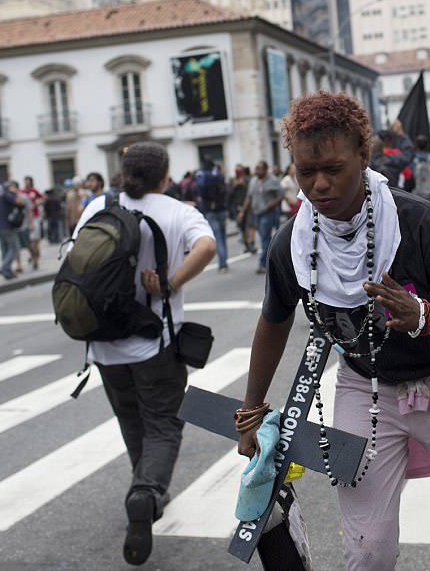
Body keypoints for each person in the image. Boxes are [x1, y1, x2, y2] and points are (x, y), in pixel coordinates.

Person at [237, 91, 430, 571]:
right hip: (362, 388)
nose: (318, 185)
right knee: (367, 553)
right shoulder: (292, 243)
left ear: (364, 155)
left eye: (333, 169)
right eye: (305, 172)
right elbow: (273, 322)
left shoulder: (418, 221)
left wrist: (426, 316)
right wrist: (251, 410)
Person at [72, 142, 216, 566]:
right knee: (164, 425)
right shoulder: (177, 211)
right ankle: (147, 491)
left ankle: (146, 487)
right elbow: (206, 247)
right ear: (165, 176)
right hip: (154, 340)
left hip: (103, 342)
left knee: (132, 420)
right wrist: (171, 283)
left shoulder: (99, 204)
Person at [244, 160, 282, 274]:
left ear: (265, 169)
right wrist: (243, 212)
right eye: (256, 168)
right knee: (265, 238)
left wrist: (272, 204)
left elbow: (280, 195)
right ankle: (273, 260)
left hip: (268, 213)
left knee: (265, 238)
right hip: (256, 214)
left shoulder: (273, 180)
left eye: (260, 168)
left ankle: (262, 263)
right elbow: (249, 197)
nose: (257, 170)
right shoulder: (253, 181)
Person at [195, 158, 229, 273]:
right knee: (223, 236)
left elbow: (201, 192)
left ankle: (223, 264)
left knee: (218, 237)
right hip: (222, 209)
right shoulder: (219, 175)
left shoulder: (203, 177)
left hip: (211, 210)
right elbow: (225, 190)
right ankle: (225, 261)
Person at [0, 181, 26, 280]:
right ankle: (4, 268)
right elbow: (20, 202)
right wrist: (16, 193)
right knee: (15, 248)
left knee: (5, 249)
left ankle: (7, 272)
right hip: (8, 226)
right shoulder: (7, 195)